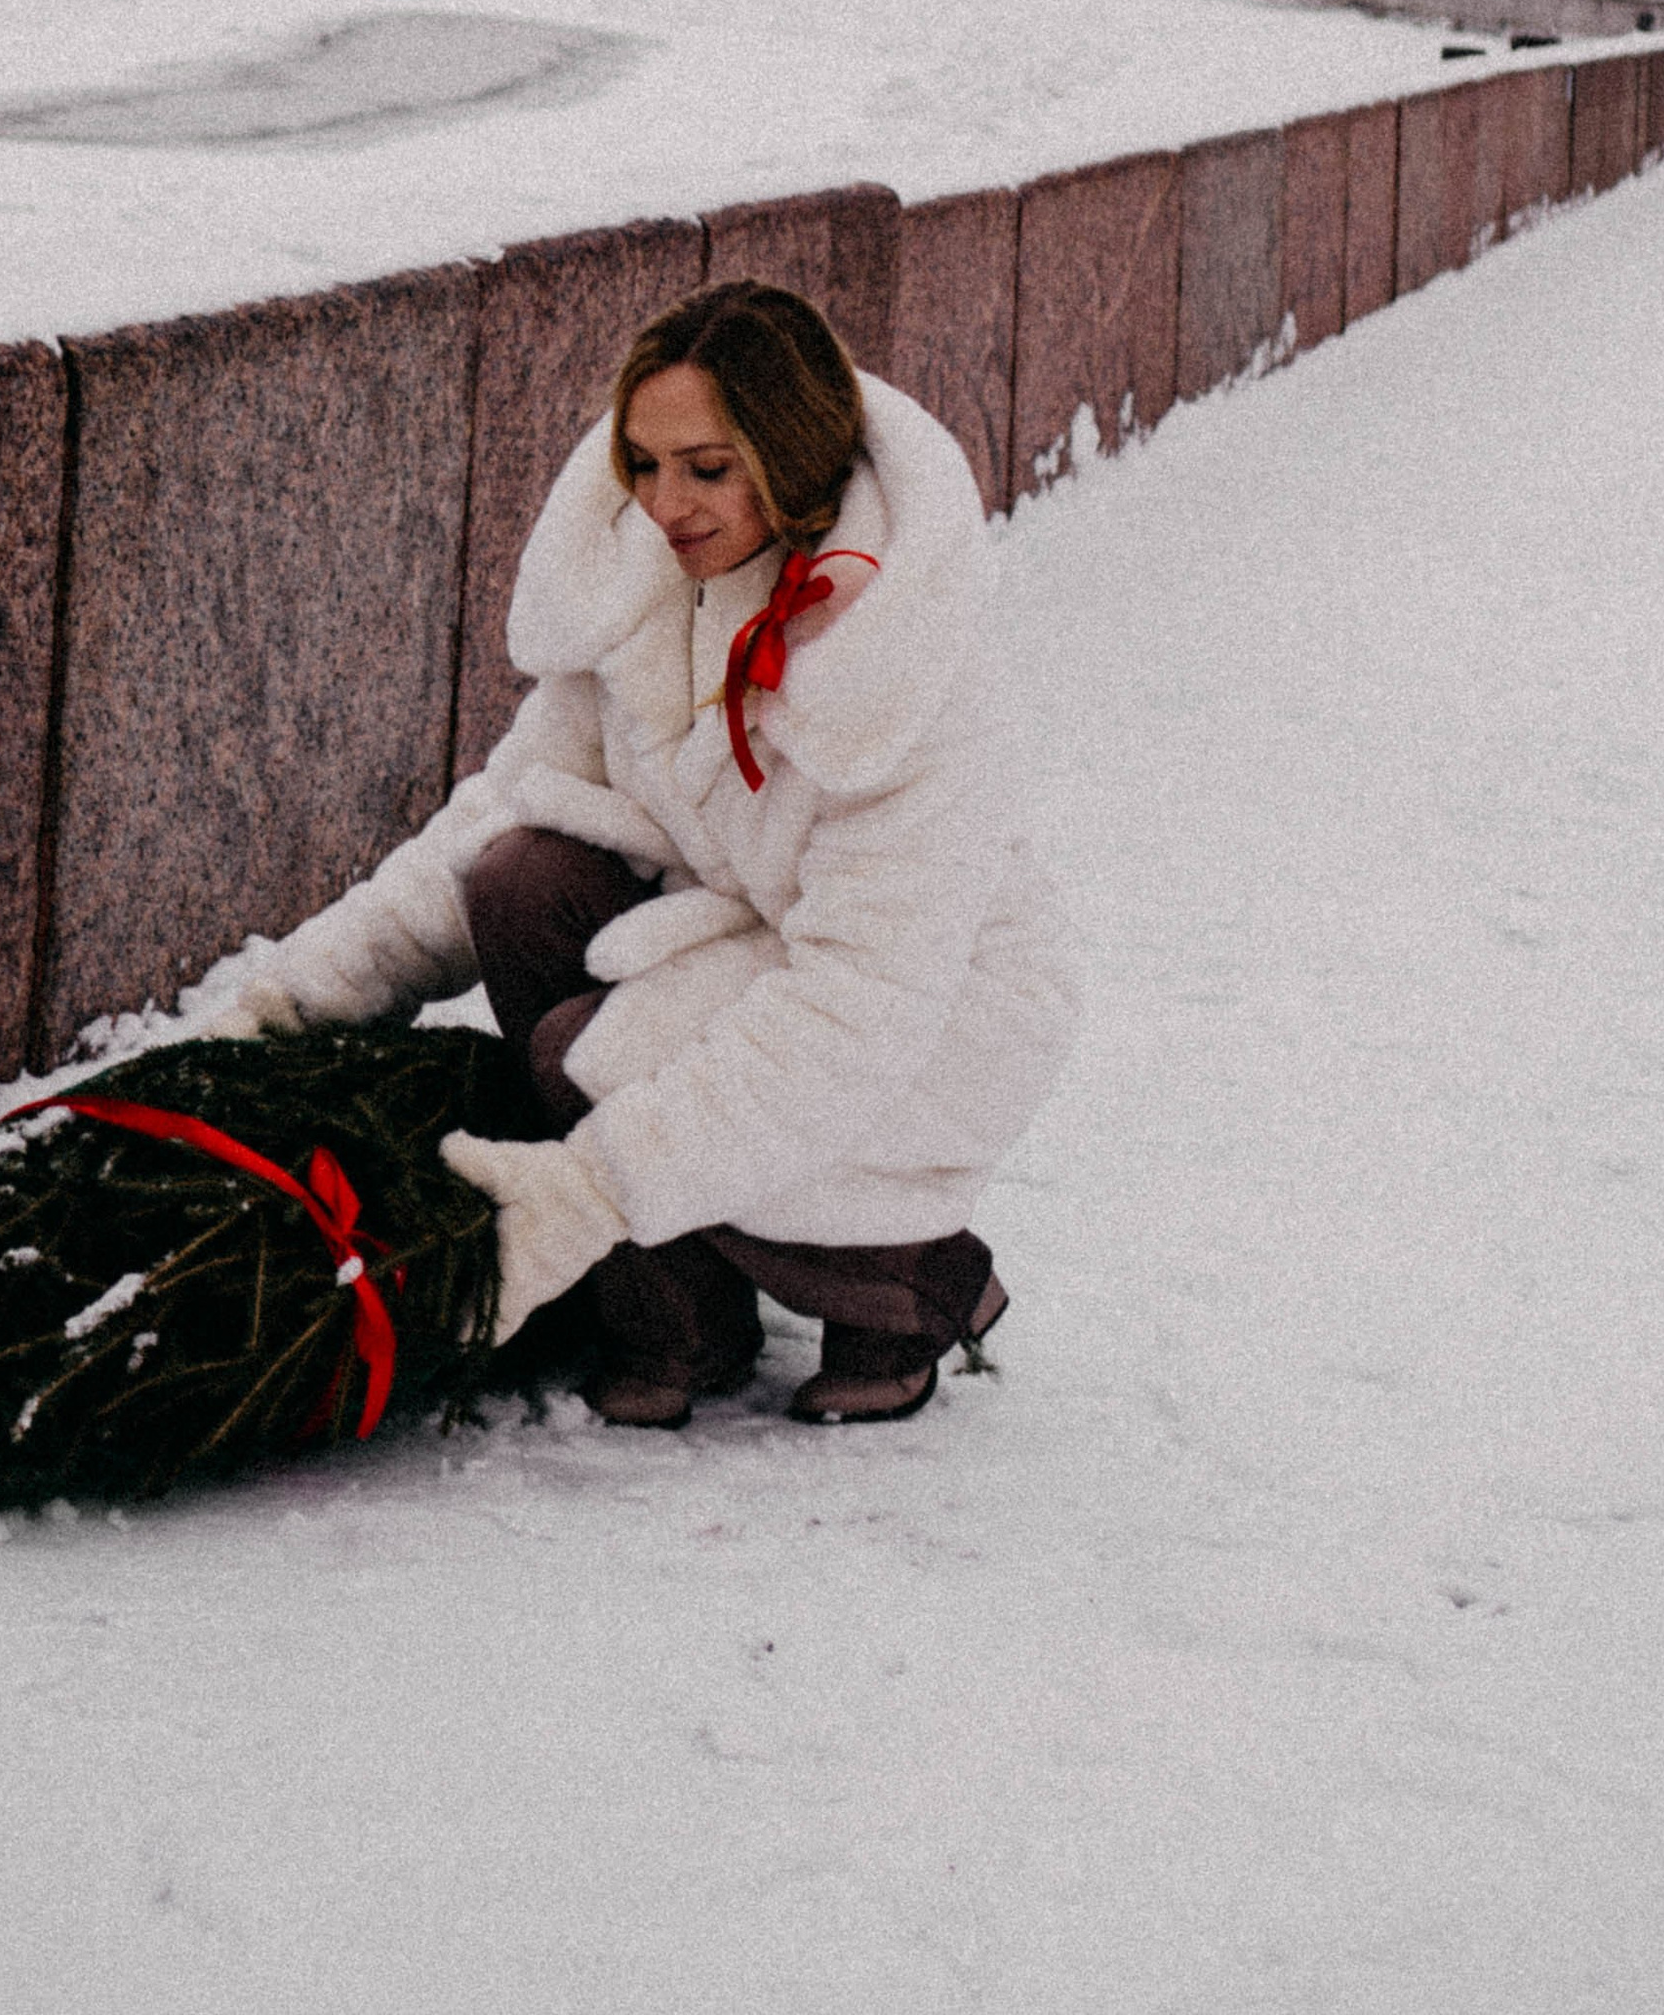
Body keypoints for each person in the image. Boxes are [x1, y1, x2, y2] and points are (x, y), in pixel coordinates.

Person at [178, 281, 1079, 1426]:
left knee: (587, 1053)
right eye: (642, 465)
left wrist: (589, 1189)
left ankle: (908, 1282)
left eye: (707, 468)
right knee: (519, 879)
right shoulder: (653, 590)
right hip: (751, 939)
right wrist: (291, 1002)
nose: (663, 504)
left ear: (789, 455)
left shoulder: (909, 673)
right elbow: (490, 819)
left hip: (935, 1010)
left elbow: (857, 1008)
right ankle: (684, 1318)